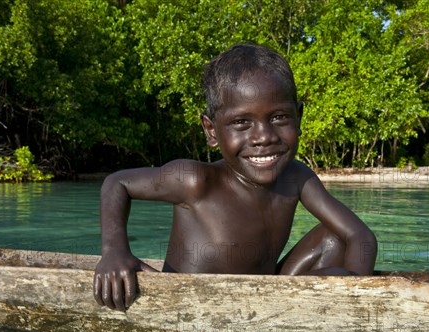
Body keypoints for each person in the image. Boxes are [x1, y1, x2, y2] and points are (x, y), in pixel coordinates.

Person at [94, 43, 377, 311]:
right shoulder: (194, 180)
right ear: (211, 130)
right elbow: (117, 183)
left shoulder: (297, 177)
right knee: (337, 271)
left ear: (299, 117)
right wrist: (114, 251)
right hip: (192, 303)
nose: (264, 137)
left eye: (279, 117)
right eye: (242, 122)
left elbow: (361, 237)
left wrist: (358, 294)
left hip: (265, 300)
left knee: (335, 237)